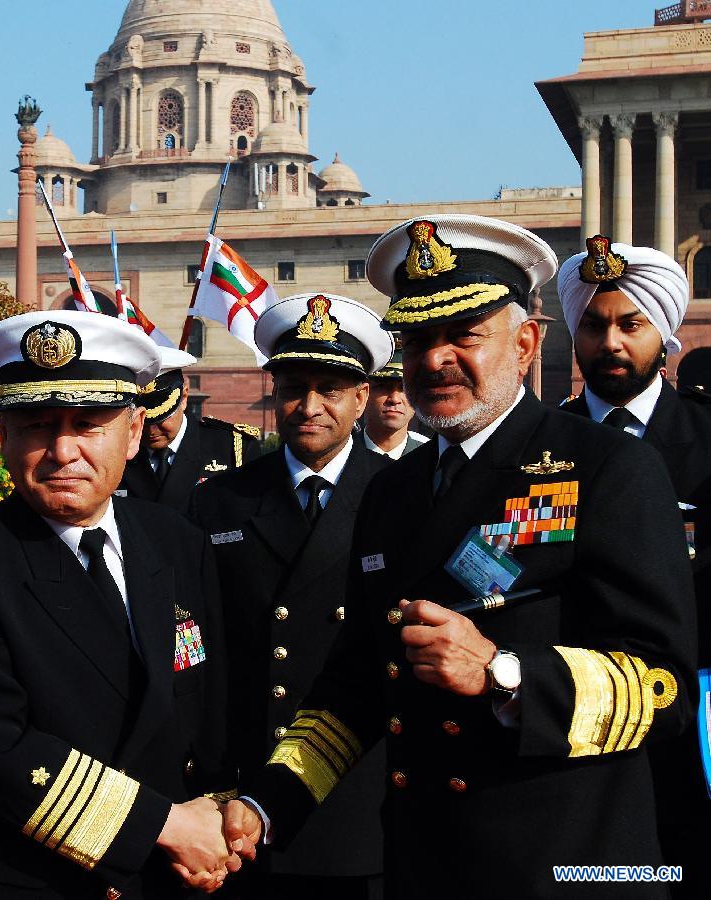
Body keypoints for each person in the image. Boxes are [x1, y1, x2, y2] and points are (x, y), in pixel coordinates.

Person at [222, 215, 698, 899]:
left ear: (527, 342)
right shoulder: (392, 490)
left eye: (463, 336)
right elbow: (358, 679)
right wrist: (267, 803)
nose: (435, 359)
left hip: (564, 866)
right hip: (425, 862)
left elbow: (664, 686)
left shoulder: (606, 467)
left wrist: (504, 673)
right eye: (417, 340)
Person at [0, 311, 238, 900]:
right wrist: (168, 827)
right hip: (36, 879)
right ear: (2, 436)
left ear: (133, 432)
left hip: (175, 876)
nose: (63, 451)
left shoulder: (174, 540)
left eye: (88, 425)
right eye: (37, 425)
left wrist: (217, 812)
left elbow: (204, 698)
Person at [190, 293, 394, 900]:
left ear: (361, 398)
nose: (310, 407)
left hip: (357, 790)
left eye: (330, 389)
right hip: (244, 791)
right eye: (293, 387)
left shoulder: (400, 495)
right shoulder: (220, 500)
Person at [558, 237, 711, 897]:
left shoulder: (706, 441)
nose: (610, 342)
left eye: (629, 324)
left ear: (663, 332)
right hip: (566, 726)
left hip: (691, 733)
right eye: (592, 325)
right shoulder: (539, 445)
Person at [120, 347, 260, 512]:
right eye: (142, 421)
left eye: (161, 418)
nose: (151, 431)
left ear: (184, 397)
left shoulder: (232, 449)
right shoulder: (118, 453)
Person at [357, 338, 427, 458]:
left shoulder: (433, 459)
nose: (394, 399)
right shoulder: (338, 455)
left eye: (404, 389)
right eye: (383, 387)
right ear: (364, 394)